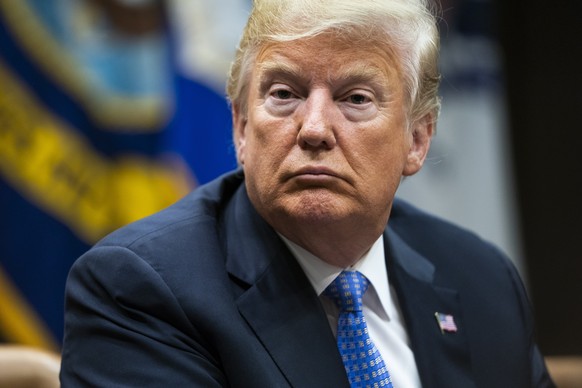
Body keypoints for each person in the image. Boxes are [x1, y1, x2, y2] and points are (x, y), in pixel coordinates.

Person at [60, 0, 555, 387]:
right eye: (283, 94)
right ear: (240, 125)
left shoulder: (480, 279)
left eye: (356, 98)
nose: (314, 129)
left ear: (417, 139)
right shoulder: (140, 290)